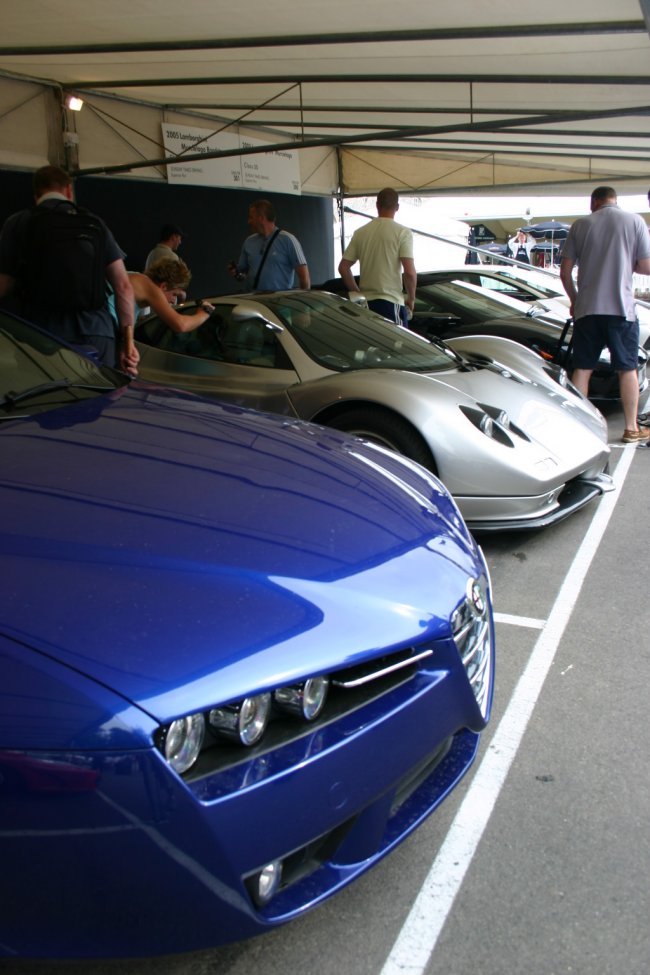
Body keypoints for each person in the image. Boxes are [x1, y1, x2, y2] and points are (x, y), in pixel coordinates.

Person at [0, 165, 138, 374]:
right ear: (69, 191)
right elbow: (124, 286)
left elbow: (4, 284)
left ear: (36, 194)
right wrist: (128, 345)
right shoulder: (94, 223)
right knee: (99, 401)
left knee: (50, 403)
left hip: (42, 335)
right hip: (97, 332)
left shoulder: (19, 222)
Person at [560, 185, 650, 443]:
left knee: (583, 368)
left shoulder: (580, 225)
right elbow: (646, 266)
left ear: (594, 202)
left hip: (588, 309)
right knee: (627, 369)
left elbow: (565, 272)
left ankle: (580, 426)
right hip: (621, 310)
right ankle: (631, 428)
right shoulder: (634, 221)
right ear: (614, 200)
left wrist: (575, 301)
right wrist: (625, 261)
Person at [338, 187, 416, 326]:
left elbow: (343, 268)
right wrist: (411, 298)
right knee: (396, 346)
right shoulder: (403, 233)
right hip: (391, 303)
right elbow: (409, 273)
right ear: (397, 207)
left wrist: (357, 292)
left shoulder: (360, 233)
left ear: (377, 205)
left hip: (366, 306)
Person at [228, 199, 310, 291]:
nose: (249, 221)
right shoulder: (249, 242)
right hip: (253, 301)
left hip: (278, 302)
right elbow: (243, 276)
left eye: (251, 217)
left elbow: (305, 278)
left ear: (261, 218)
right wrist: (236, 274)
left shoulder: (288, 240)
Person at [127, 258, 214, 331]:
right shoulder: (151, 288)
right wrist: (204, 314)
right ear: (164, 286)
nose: (173, 300)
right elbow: (181, 325)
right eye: (174, 294)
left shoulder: (136, 279)